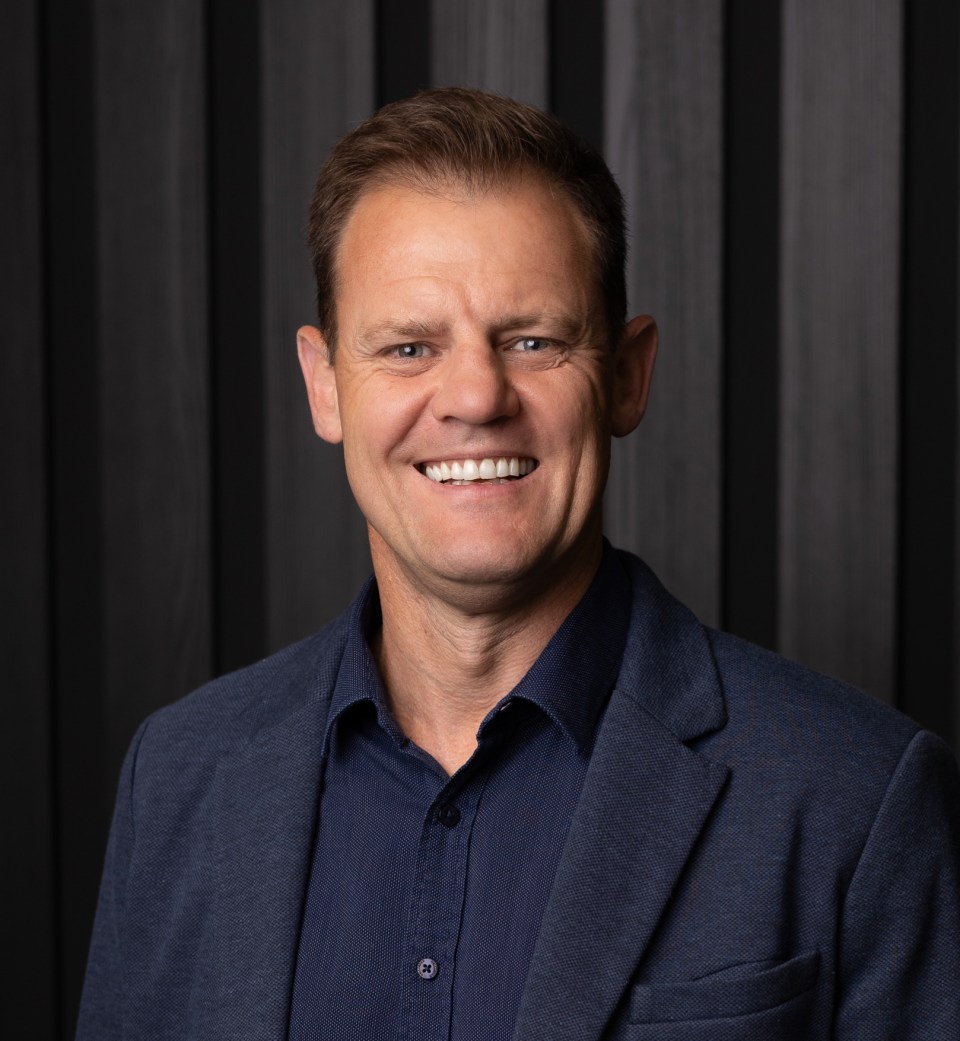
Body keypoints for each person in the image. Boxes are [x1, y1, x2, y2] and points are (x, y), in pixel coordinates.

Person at [77, 88, 959, 1041]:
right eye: (409, 347)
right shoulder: (179, 778)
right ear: (325, 385)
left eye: (533, 341)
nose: (474, 397)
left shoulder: (857, 798)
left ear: (627, 375)